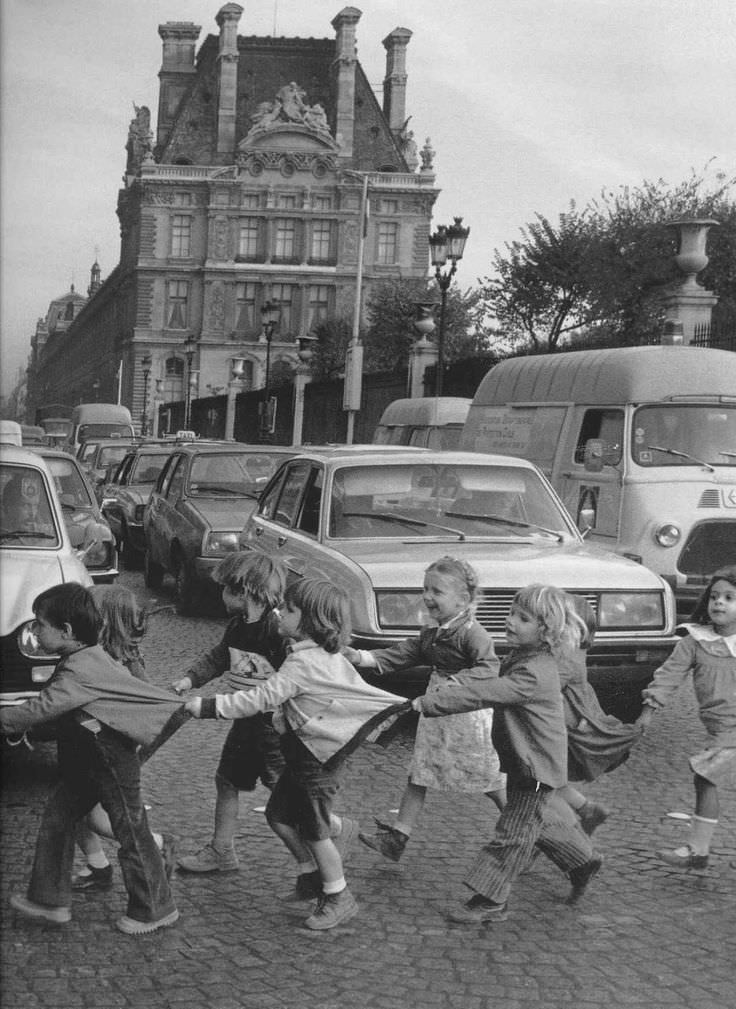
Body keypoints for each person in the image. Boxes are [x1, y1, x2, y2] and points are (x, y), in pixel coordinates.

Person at [185, 577, 407, 931]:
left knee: (314, 829)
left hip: (317, 761)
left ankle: (338, 896)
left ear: (308, 621)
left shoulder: (302, 664)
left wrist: (206, 707)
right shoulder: (316, 655)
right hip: (305, 756)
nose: (279, 612)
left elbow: (260, 698)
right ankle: (311, 878)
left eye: (287, 609)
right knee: (278, 815)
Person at [412, 584, 602, 924]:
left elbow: (488, 693)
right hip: (524, 762)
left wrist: (429, 702)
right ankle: (581, 860)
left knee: (512, 835)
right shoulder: (526, 658)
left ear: (545, 630)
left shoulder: (533, 671)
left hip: (536, 769)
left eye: (523, 618)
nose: (510, 621)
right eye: (512, 613)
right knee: (530, 824)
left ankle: (491, 900)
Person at [0, 583, 183, 935]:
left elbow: (43, 708)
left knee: (131, 831)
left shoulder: (80, 669)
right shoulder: (85, 657)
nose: (35, 631)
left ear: (66, 632)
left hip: (109, 759)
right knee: (58, 818)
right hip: (89, 758)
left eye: (39, 624)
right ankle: (49, 901)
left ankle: (155, 908)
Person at [171, 552, 359, 877]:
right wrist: (190, 678)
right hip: (246, 723)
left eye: (225, 588)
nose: (221, 594)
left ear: (243, 591)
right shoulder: (238, 625)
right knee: (227, 780)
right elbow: (220, 656)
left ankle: (333, 833)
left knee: (289, 796)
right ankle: (221, 850)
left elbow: (298, 675)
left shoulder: (278, 629)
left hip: (274, 729)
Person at [345, 556, 506, 861]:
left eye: (437, 592)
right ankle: (398, 837)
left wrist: (458, 681)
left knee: (489, 778)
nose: (428, 597)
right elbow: (403, 653)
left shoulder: (473, 633)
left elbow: (489, 668)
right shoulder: (434, 631)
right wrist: (362, 658)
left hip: (466, 713)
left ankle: (525, 832)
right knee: (419, 772)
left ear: (464, 599)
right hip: (437, 711)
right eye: (425, 589)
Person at [72, 585, 176, 892]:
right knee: (76, 809)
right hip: (91, 748)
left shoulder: (120, 662)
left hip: (112, 752)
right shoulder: (103, 654)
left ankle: (157, 844)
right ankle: (97, 866)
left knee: (99, 817)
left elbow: (143, 706)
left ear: (101, 620)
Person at [635, 565, 736, 869]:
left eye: (730, 597)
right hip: (720, 728)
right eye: (715, 596)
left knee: (704, 777)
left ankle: (698, 851)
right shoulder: (695, 641)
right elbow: (669, 675)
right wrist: (647, 712)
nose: (719, 602)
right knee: (704, 778)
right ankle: (699, 851)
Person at [555, 594, 643, 835]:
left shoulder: (566, 660)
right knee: (546, 780)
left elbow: (541, 688)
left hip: (563, 728)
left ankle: (571, 838)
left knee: (540, 781)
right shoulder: (574, 654)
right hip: (564, 726)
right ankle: (585, 810)